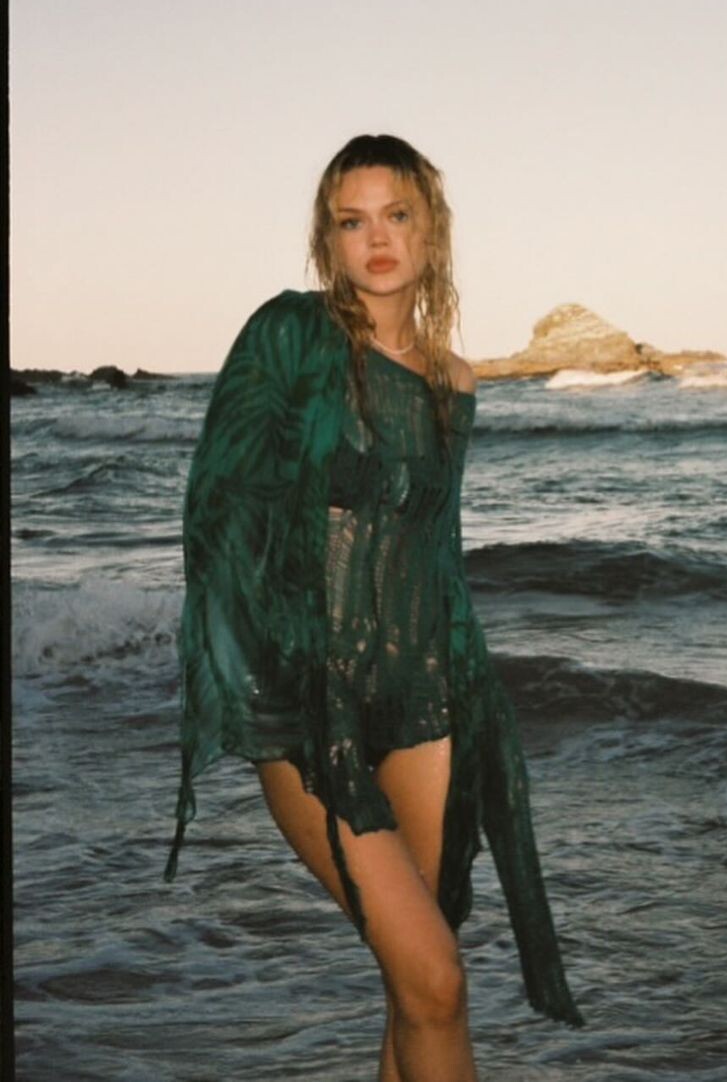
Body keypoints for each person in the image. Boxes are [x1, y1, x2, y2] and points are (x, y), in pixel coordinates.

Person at [164, 134, 583, 1081]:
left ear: (432, 230)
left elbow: (436, 551)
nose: (378, 238)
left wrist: (469, 692)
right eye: (352, 222)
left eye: (397, 215)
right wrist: (269, 680)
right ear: (328, 241)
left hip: (423, 699)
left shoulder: (454, 383)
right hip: (310, 709)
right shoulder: (288, 337)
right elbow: (218, 516)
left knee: (415, 990)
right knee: (437, 980)